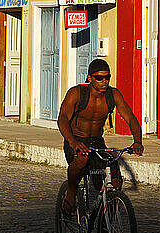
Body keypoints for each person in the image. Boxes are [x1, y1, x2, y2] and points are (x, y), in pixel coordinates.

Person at [57, 58, 144, 217]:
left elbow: (130, 118)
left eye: (107, 77)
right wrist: (73, 142)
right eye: (99, 78)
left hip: (97, 142)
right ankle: (71, 192)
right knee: (81, 160)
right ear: (89, 78)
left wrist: (138, 141)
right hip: (75, 139)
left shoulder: (113, 94)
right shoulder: (77, 93)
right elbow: (62, 118)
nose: (104, 81)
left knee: (115, 178)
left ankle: (108, 223)